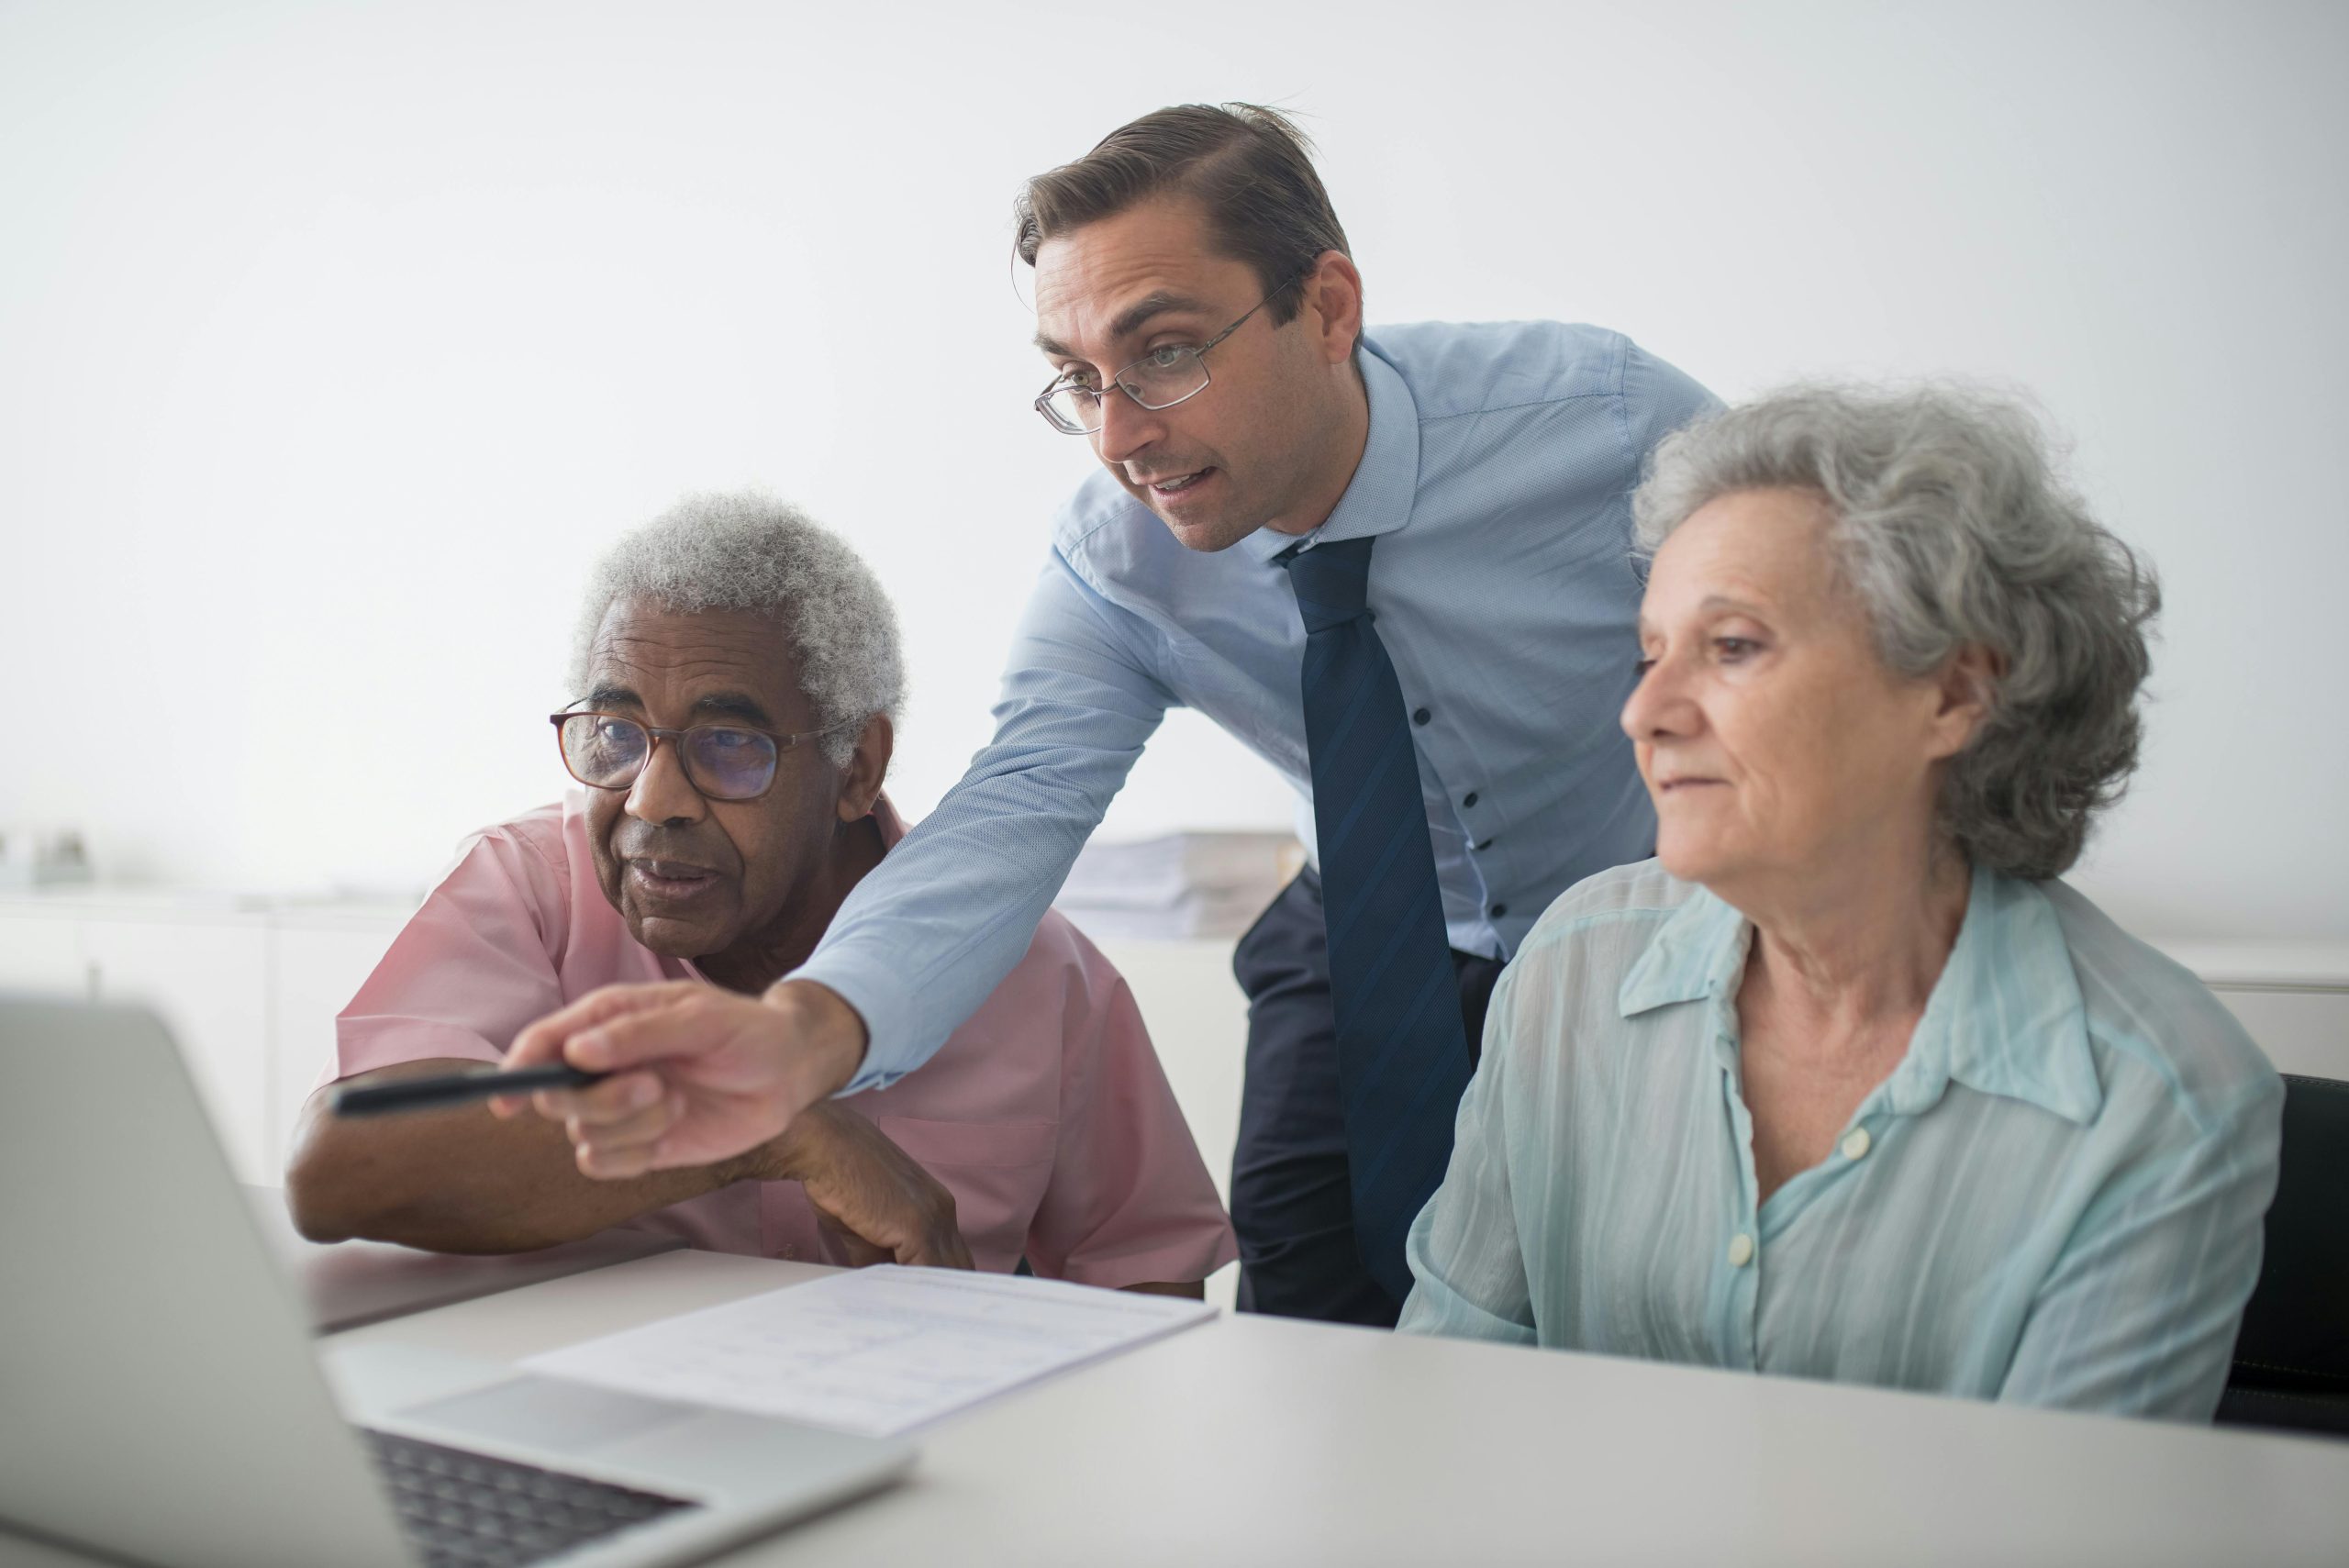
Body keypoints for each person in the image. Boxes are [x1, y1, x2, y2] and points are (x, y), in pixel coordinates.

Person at [505, 104, 1717, 1326]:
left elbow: (1837, 648)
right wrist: (801, 1034)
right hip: (1369, 928)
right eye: (1077, 380)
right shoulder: (1119, 559)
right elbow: (1016, 805)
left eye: (1167, 354)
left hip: (1653, 907)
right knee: (1313, 1334)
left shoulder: (1610, 429)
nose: (1121, 436)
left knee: (1639, 1307)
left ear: (1330, 308)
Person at [1396, 384, 2283, 1418]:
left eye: (1731, 646)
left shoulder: (2164, 1100)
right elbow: (1452, 1395)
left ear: (1954, 693)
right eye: (1649, 654)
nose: (1644, 711)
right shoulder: (1573, 965)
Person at [286, 491, 1235, 1297]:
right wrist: (770, 1134)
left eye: (728, 745)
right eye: (615, 732)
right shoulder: (533, 887)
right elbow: (340, 1167)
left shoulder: (1032, 968)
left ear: (855, 767)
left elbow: (1147, 1286)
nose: (652, 801)